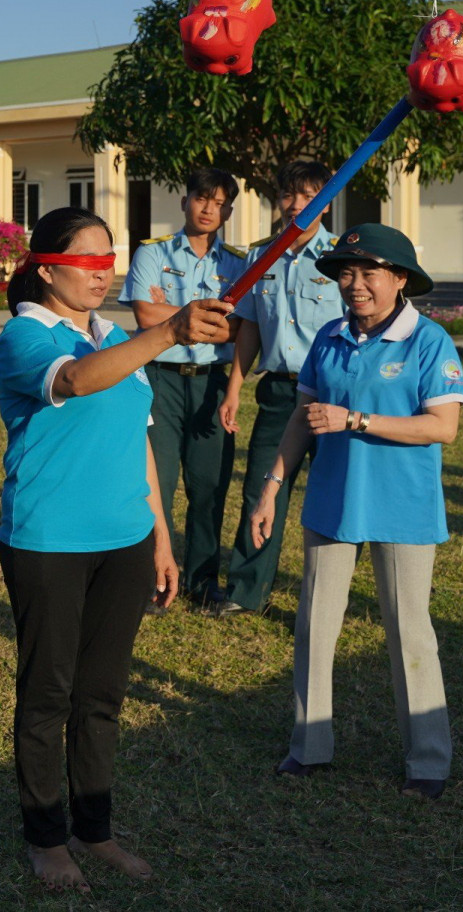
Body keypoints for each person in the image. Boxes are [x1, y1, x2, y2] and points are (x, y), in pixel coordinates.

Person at [0, 207, 231, 892]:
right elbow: (73, 381)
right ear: (46, 267)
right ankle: (46, 839)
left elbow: (141, 448)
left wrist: (161, 540)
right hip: (48, 543)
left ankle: (93, 831)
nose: (103, 275)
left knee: (101, 696)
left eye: (110, 262)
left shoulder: (115, 334)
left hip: (125, 541)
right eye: (88, 262)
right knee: (48, 695)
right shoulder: (24, 334)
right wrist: (169, 331)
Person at [249, 223, 463, 800]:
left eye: (370, 272)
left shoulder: (429, 342)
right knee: (315, 626)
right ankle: (309, 747)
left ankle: (428, 761)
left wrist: (357, 421)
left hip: (403, 507)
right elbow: (302, 417)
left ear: (400, 279)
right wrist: (273, 485)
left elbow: (442, 427)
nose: (355, 284)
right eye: (346, 272)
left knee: (408, 632)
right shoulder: (328, 337)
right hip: (331, 501)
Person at [211, 161, 338, 616]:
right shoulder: (259, 257)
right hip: (279, 394)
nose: (296, 205)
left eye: (308, 196)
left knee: (331, 493)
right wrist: (234, 389)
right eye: (288, 195)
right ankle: (247, 593)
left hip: (330, 397)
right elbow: (248, 329)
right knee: (263, 489)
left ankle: (326, 599)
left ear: (326, 201)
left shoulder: (342, 257)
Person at [119, 167, 246, 607]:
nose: (209, 209)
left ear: (228, 209)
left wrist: (173, 314)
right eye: (201, 198)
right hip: (160, 379)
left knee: (209, 485)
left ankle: (202, 580)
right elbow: (144, 317)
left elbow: (241, 332)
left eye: (219, 202)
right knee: (156, 482)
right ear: (184, 200)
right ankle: (151, 576)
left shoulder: (238, 263)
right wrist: (210, 321)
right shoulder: (152, 253)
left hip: (211, 385)